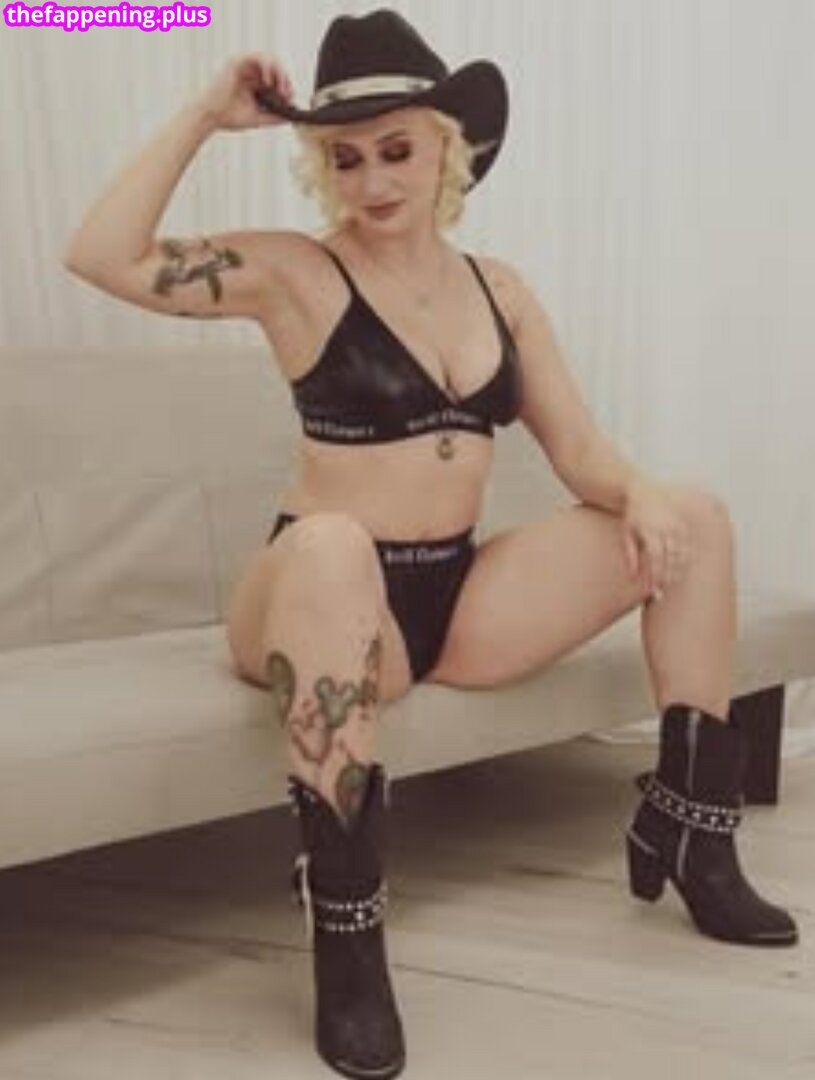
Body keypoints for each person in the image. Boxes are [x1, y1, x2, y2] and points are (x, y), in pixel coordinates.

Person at [64, 9, 798, 1079]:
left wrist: (638, 491)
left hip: (448, 602)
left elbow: (579, 452)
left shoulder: (500, 291)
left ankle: (691, 835)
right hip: (313, 594)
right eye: (345, 158)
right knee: (332, 543)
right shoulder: (293, 274)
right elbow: (99, 254)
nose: (372, 181)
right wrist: (203, 117)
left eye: (397, 150)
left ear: (448, 148)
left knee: (692, 513)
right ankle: (347, 935)